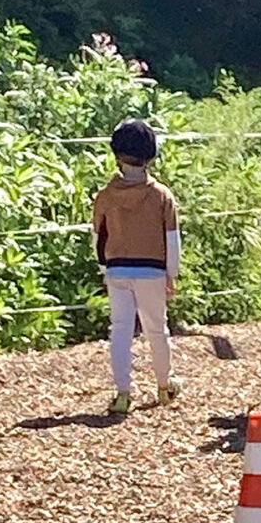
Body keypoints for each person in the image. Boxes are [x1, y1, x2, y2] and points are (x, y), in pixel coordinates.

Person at [92, 118, 181, 414]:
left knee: (119, 330)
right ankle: (164, 385)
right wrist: (172, 274)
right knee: (157, 329)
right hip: (152, 270)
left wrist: (105, 269)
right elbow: (172, 239)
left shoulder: (105, 197)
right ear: (151, 156)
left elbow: (98, 237)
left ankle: (122, 393)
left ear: (117, 156)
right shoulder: (161, 196)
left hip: (117, 268)